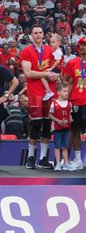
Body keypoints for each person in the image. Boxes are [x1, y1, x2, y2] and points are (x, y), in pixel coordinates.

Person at [21, 25, 59, 169]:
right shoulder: (26, 51)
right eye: (35, 33)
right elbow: (28, 73)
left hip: (51, 91)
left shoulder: (50, 50)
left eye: (40, 32)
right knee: (35, 125)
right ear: (31, 35)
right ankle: (31, 157)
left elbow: (57, 70)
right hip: (35, 92)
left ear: (44, 35)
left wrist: (55, 75)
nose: (38, 35)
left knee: (47, 127)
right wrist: (45, 74)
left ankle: (43, 158)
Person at [63, 37, 86, 170]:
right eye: (80, 45)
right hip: (76, 101)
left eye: (85, 45)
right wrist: (66, 100)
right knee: (75, 131)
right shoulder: (73, 63)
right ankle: (77, 160)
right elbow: (68, 82)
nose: (82, 47)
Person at [49, 83, 75, 171]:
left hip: (66, 128)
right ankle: (58, 164)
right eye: (65, 91)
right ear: (59, 92)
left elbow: (69, 114)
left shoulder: (69, 104)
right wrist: (58, 121)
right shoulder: (54, 104)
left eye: (67, 91)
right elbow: (50, 115)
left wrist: (70, 119)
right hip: (57, 129)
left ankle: (66, 163)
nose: (67, 93)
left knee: (65, 146)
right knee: (57, 146)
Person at [40, 34, 63, 101]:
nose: (51, 44)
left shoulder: (58, 51)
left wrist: (51, 68)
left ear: (59, 43)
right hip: (56, 70)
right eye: (50, 42)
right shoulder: (56, 51)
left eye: (53, 42)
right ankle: (48, 91)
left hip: (55, 70)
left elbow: (58, 61)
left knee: (42, 76)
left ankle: (48, 91)